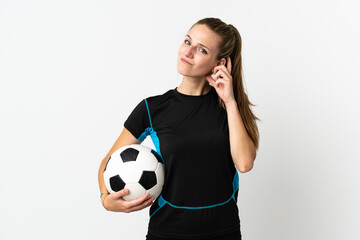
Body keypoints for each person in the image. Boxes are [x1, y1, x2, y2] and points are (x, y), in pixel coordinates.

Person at [98, 17, 260, 240]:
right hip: (167, 232)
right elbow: (107, 163)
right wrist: (106, 201)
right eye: (187, 41)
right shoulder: (151, 108)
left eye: (202, 49)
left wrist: (230, 102)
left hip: (223, 231)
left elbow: (244, 163)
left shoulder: (229, 108)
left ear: (219, 63)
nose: (188, 51)